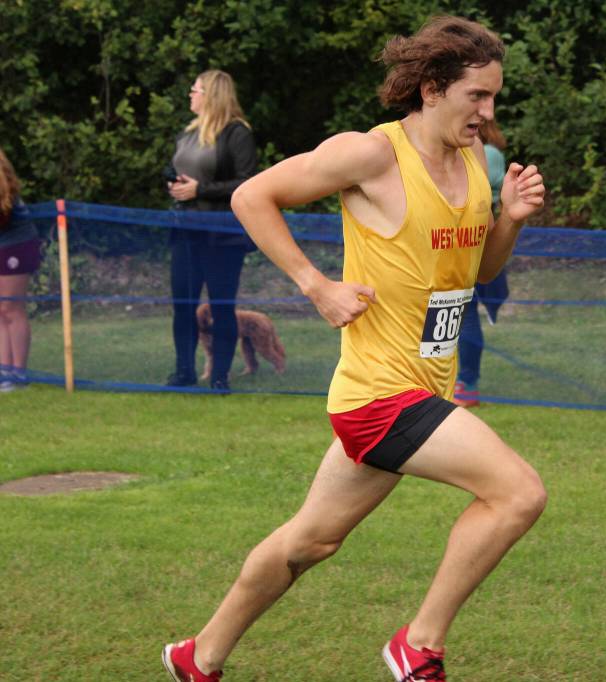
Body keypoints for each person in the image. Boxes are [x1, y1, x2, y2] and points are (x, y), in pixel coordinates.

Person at [161, 16, 547, 682]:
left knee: (312, 540)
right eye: (475, 97)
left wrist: (508, 218)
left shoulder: (474, 164)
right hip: (377, 395)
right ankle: (417, 643)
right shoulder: (371, 154)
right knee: (518, 494)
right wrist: (316, 285)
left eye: (493, 99)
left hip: (421, 390)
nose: (487, 113)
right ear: (431, 89)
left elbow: (478, 272)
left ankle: (198, 656)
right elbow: (254, 195)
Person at [165, 69, 258, 391]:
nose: (190, 95)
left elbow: (247, 182)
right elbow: (180, 171)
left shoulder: (237, 133)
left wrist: (200, 190)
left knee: (221, 305)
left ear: (211, 95)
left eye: (195, 90)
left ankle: (220, 376)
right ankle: (183, 372)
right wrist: (175, 185)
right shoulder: (188, 132)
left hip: (222, 236)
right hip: (186, 233)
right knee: (183, 305)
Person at [453, 118, 510, 408]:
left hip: (469, 242)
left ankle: (466, 384)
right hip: (453, 242)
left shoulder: (486, 154)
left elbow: (475, 198)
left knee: (465, 313)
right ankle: (456, 382)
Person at [0, 148, 42, 393]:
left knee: (11, 308)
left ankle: (19, 373)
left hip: (16, 246)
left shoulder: (4, 184)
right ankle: (4, 371)